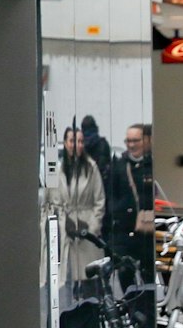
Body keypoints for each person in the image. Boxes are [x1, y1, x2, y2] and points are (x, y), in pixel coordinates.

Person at [48, 126, 107, 285]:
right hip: (67, 233)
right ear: (65, 143)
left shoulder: (91, 168)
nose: (77, 145)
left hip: (87, 230)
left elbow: (99, 201)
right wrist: (64, 223)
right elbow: (53, 201)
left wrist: (92, 229)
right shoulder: (59, 170)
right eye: (73, 141)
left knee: (90, 281)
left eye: (81, 141)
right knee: (68, 283)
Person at [105, 122, 156, 278]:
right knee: (125, 276)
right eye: (128, 141)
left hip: (147, 234)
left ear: (146, 141)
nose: (132, 145)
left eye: (136, 140)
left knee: (149, 278)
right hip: (125, 233)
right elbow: (110, 197)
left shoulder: (152, 166)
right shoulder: (119, 166)